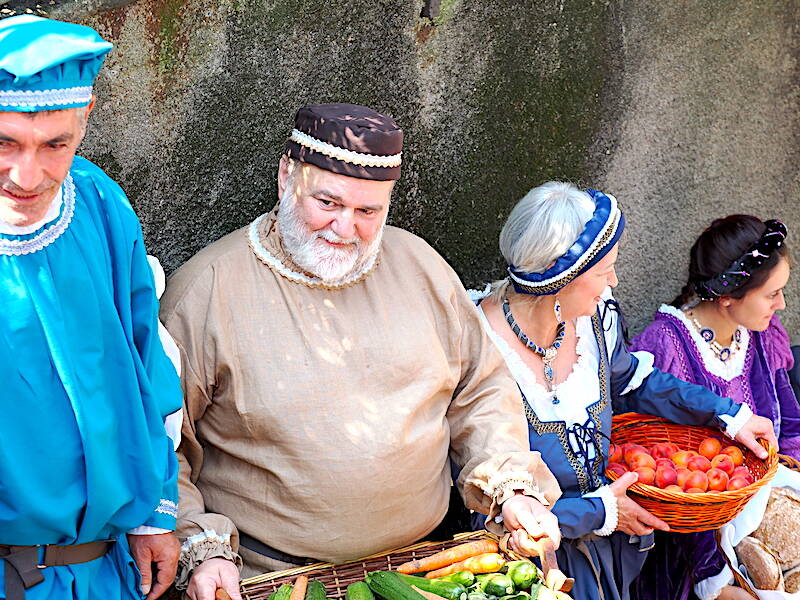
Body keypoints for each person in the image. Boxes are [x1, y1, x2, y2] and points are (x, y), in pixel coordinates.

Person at [160, 104, 562, 600]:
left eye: (367, 211)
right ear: (288, 177)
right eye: (327, 202)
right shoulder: (206, 291)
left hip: (433, 571)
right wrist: (199, 543)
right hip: (273, 580)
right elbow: (160, 447)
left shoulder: (422, 267)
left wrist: (513, 490)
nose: (344, 228)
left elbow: (480, 390)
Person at [468, 182, 777, 600]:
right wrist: (600, 511)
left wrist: (728, 414)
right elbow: (483, 490)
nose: (613, 279)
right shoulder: (478, 344)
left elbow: (635, 380)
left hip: (609, 553)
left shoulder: (595, 323)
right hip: (523, 562)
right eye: (603, 270)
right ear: (562, 281)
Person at [0, 15, 183, 600]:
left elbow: (141, 358)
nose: (28, 175)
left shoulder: (99, 202)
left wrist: (154, 511)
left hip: (100, 573)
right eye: (3, 142)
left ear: (86, 120)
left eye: (56, 144)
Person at [630, 215, 798, 600]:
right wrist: (715, 582)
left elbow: (789, 427)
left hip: (763, 532)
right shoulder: (664, 350)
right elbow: (659, 475)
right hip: (689, 551)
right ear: (727, 297)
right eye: (772, 294)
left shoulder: (761, 334)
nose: (782, 303)